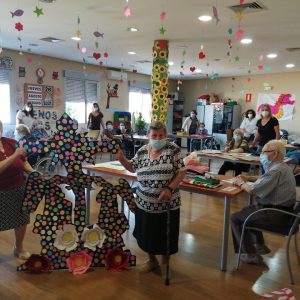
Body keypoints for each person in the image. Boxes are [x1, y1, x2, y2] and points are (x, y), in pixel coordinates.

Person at [116, 121, 186, 275]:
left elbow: (181, 172)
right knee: (147, 234)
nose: (157, 138)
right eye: (154, 135)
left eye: (161, 135)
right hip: (144, 202)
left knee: (166, 235)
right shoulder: (141, 151)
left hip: (168, 203)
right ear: (148, 136)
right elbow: (131, 167)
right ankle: (152, 261)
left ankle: (165, 263)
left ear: (165, 136)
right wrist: (122, 159)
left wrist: (169, 188)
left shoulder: (173, 149)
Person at [231, 140, 296, 264]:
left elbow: (252, 190)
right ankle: (260, 245)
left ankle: (249, 254)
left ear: (275, 154)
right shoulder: (282, 167)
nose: (262, 155)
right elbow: (265, 178)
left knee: (235, 218)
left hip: (276, 214)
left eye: (264, 152)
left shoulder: (276, 170)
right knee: (247, 210)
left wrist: (241, 182)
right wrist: (248, 177)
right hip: (285, 212)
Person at [0, 120, 34, 259]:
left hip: (18, 187)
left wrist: (33, 172)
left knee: (21, 219)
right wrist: (14, 155)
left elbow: (23, 161)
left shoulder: (10, 142)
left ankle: (18, 248)